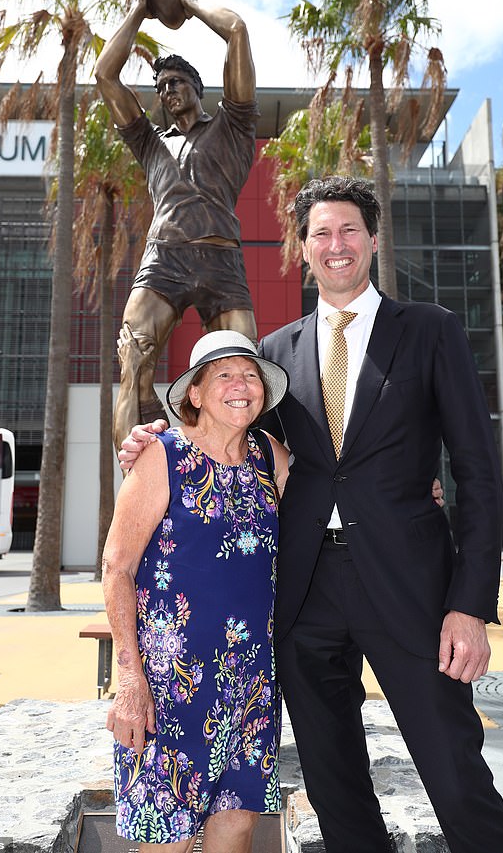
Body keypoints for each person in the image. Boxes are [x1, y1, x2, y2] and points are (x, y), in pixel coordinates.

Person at [118, 175, 503, 853]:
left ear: (371, 240)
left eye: (348, 230)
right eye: (320, 234)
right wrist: (154, 438)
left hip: (413, 591)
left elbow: (479, 476)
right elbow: (233, 447)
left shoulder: (431, 330)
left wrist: (470, 605)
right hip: (304, 596)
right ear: (302, 249)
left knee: (456, 777)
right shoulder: (273, 357)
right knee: (336, 790)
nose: (335, 245)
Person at [101, 330, 290, 852]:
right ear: (196, 394)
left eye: (251, 375)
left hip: (250, 681)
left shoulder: (270, 457)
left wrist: (416, 487)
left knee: (238, 826)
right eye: (223, 375)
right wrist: (130, 677)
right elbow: (116, 566)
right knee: (168, 838)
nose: (241, 385)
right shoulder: (161, 455)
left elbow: (340, 497)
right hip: (170, 686)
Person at [95, 0, 259, 452]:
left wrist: (187, 2)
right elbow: (106, 74)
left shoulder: (234, 125)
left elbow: (238, 32)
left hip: (220, 261)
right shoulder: (151, 144)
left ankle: (237, 475)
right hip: (164, 259)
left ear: (197, 88)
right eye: (161, 86)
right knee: (134, 359)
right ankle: (136, 480)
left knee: (243, 375)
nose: (167, 91)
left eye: (176, 82)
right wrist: (140, 9)